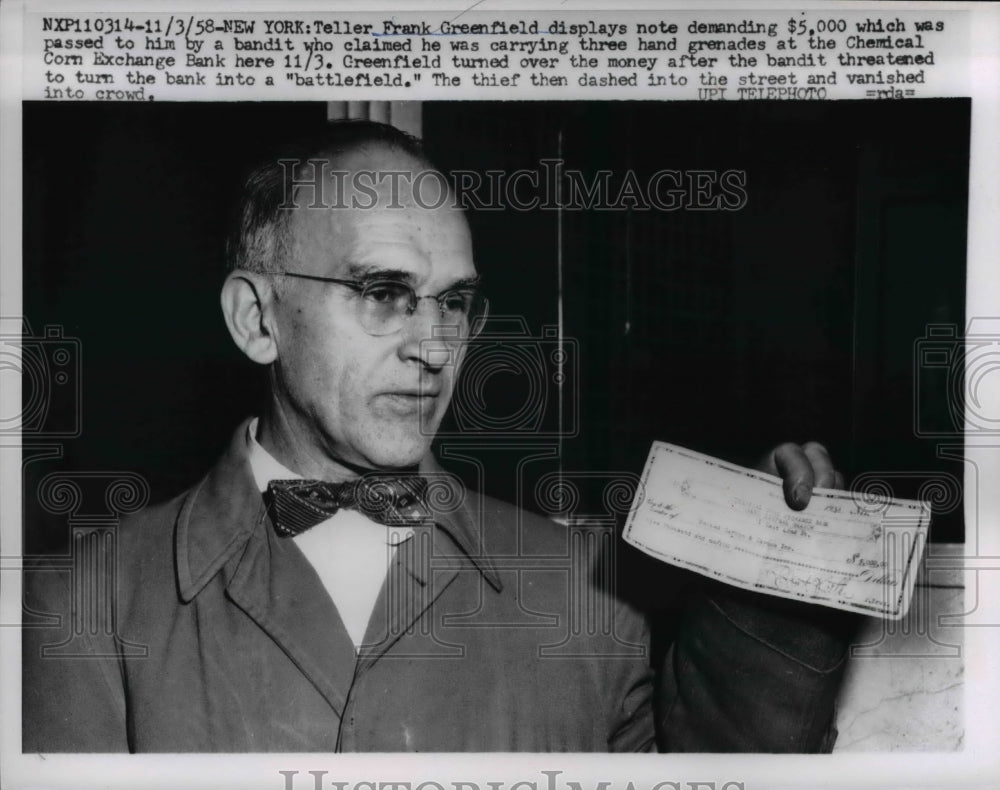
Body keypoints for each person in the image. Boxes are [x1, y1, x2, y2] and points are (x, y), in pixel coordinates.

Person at [22, 120, 856, 753]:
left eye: (453, 302)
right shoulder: (86, 605)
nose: (433, 346)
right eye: (385, 291)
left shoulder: (589, 594)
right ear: (257, 318)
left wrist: (768, 569)